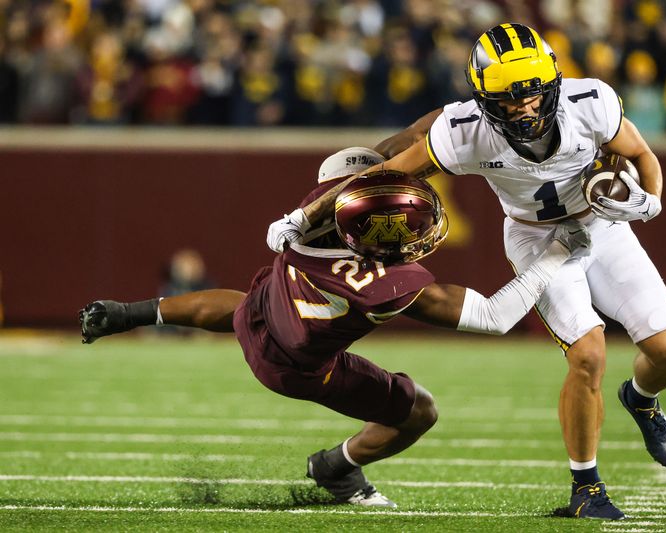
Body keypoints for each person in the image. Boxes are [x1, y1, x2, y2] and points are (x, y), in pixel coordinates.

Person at [266, 23, 666, 520]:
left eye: (532, 93)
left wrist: (650, 201)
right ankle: (587, 489)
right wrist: (303, 217)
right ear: (484, 99)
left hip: (603, 228)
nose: (524, 106)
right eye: (508, 99)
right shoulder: (466, 132)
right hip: (535, 237)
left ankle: (641, 401)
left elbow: (640, 154)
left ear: (552, 85)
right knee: (588, 355)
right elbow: (386, 175)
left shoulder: (590, 101)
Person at [80, 147, 591, 509]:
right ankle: (337, 467)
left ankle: (132, 312)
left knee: (248, 305)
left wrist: (129, 315)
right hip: (303, 368)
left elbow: (368, 168)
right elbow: (495, 317)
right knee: (420, 411)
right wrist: (554, 254)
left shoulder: (315, 214)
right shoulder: (383, 281)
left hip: (268, 312)